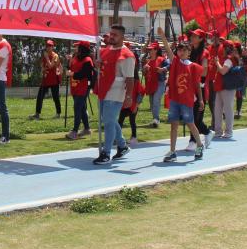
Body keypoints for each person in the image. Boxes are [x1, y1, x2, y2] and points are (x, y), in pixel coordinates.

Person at [157, 28, 204, 162]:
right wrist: (163, 37)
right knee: (174, 125)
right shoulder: (176, 62)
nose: (181, 52)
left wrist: (200, 100)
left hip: (187, 100)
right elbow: (168, 50)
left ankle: (199, 145)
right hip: (175, 99)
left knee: (190, 123)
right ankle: (172, 151)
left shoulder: (193, 67)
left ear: (189, 53)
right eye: (180, 50)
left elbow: (197, 85)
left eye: (185, 50)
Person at [91, 24, 134, 165]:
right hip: (103, 89)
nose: (111, 36)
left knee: (108, 121)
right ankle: (122, 146)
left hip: (116, 91)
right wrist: (98, 64)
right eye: (111, 34)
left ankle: (106, 153)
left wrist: (129, 97)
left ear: (122, 37)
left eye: (115, 34)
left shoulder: (127, 55)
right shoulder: (106, 50)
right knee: (109, 120)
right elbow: (102, 66)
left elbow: (130, 78)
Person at [65, 41, 94, 140]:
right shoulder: (75, 57)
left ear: (82, 48)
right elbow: (70, 67)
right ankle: (87, 129)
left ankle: (74, 131)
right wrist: (68, 64)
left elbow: (84, 74)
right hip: (75, 86)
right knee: (81, 108)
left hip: (83, 87)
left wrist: (72, 74)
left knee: (77, 107)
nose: (75, 48)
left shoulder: (87, 60)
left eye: (77, 46)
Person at [213, 41, 241, 139]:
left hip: (227, 87)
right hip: (221, 87)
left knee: (228, 110)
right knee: (218, 110)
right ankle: (218, 131)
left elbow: (223, 71)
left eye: (223, 47)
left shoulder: (229, 60)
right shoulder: (225, 59)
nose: (221, 49)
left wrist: (216, 63)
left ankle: (229, 131)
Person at [187, 29, 210, 148]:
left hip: (200, 87)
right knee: (190, 115)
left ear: (201, 39)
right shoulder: (191, 52)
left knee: (196, 117)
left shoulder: (204, 53)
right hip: (190, 87)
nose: (192, 37)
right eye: (192, 35)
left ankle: (193, 140)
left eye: (195, 36)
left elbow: (204, 71)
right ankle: (206, 132)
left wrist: (193, 74)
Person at [31, 40, 62, 120]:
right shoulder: (44, 55)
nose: (48, 47)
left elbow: (51, 66)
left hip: (54, 80)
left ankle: (58, 113)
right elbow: (42, 65)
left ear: (53, 47)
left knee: (55, 97)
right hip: (46, 79)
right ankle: (37, 114)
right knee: (40, 96)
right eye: (47, 46)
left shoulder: (55, 55)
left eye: (50, 46)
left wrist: (47, 57)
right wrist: (42, 69)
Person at [143, 42, 169, 128]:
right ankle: (155, 119)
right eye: (149, 49)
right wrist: (144, 69)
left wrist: (163, 69)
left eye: (151, 49)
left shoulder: (162, 59)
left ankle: (156, 119)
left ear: (156, 50)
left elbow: (170, 65)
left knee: (155, 101)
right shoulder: (148, 61)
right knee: (152, 102)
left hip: (160, 83)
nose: (149, 51)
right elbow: (144, 74)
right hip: (150, 83)